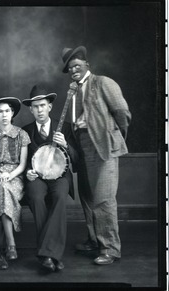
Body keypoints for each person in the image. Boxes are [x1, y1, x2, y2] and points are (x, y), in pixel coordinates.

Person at [61, 46, 131, 265]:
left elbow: (122, 113)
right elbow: (70, 123)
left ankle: (110, 248)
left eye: (77, 66)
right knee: (88, 198)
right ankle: (94, 240)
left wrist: (113, 138)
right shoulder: (72, 91)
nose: (74, 70)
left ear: (87, 66)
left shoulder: (103, 83)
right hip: (81, 149)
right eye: (70, 67)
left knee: (103, 199)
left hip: (103, 147)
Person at [21, 84, 78, 272]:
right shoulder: (25, 131)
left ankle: (46, 254)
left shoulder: (66, 128)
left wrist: (67, 146)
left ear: (50, 107)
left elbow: (78, 160)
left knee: (60, 196)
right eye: (35, 107)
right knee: (36, 197)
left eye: (43, 105)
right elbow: (18, 162)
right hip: (36, 176)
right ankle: (52, 254)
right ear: (31, 109)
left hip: (60, 176)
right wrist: (27, 172)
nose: (39, 110)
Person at [0, 97, 30, 270]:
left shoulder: (21, 134)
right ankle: (11, 244)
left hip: (15, 177)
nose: (4, 115)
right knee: (1, 190)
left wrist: (9, 176)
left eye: (7, 111)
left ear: (12, 113)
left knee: (3, 193)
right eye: (0, 111)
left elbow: (23, 164)